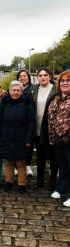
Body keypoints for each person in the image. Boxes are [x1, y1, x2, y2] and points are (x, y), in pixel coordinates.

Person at [0, 81, 36, 193]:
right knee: (8, 161)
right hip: (6, 136)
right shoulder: (4, 103)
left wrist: (29, 139)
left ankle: (22, 184)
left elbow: (31, 122)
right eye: (13, 90)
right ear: (9, 91)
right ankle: (9, 182)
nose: (15, 92)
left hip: (21, 137)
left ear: (22, 92)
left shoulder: (27, 103)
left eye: (18, 90)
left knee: (21, 161)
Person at [30, 67, 58, 190]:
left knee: (53, 155)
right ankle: (40, 179)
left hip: (51, 129)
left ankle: (52, 180)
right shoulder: (33, 89)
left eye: (45, 75)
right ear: (37, 77)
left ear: (50, 76)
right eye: (40, 75)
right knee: (40, 155)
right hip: (37, 127)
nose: (43, 77)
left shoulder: (56, 89)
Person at [47, 71, 70, 207]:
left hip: (69, 139)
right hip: (56, 140)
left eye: (68, 80)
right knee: (63, 166)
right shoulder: (56, 98)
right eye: (62, 81)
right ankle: (62, 189)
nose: (65, 83)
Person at [16, 69, 35, 176]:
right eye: (20, 76)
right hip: (18, 121)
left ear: (28, 78)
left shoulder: (33, 89)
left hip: (29, 120)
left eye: (24, 76)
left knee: (28, 144)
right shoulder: (13, 89)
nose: (22, 78)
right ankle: (16, 166)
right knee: (17, 144)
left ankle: (27, 166)